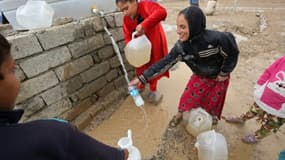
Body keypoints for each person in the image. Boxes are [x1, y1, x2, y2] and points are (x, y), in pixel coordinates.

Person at [0, 34, 128, 160]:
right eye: (12, 70)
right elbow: (116, 157)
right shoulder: (55, 135)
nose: (19, 81)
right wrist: (123, 153)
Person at [129, 6, 239, 127]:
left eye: (182, 27)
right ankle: (179, 114)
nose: (178, 31)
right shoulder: (182, 48)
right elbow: (164, 63)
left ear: (195, 26)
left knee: (213, 102)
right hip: (199, 76)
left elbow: (233, 53)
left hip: (219, 78)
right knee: (188, 97)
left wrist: (224, 72)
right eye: (177, 26)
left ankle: (210, 118)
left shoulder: (218, 39)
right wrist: (142, 78)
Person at [116, 0, 169, 105]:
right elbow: (127, 35)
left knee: (154, 65)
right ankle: (141, 85)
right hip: (139, 47)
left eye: (126, 8)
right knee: (140, 66)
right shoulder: (126, 19)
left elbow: (162, 12)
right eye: (122, 11)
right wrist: (130, 47)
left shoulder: (146, 5)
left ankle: (153, 89)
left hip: (154, 43)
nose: (125, 13)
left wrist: (144, 25)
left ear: (135, 2)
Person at [223, 55, 285, 144]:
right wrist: (259, 84)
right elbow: (269, 71)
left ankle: (257, 137)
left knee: (271, 125)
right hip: (266, 96)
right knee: (253, 110)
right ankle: (242, 119)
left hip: (281, 110)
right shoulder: (283, 59)